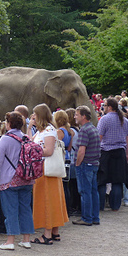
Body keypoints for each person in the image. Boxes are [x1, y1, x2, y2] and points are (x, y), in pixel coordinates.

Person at [0, 111, 35, 250]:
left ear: (9, 124)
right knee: (25, 209)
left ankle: (10, 241)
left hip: (9, 179)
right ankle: (26, 239)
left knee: (10, 210)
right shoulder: (26, 137)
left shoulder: (5, 139)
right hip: (26, 178)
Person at [30, 103, 69, 244]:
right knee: (53, 200)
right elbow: (30, 141)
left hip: (46, 170)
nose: (33, 116)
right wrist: (29, 127)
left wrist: (34, 152)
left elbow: (49, 151)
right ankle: (54, 232)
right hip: (46, 170)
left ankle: (47, 235)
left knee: (46, 200)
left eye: (35, 114)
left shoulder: (48, 131)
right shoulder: (44, 130)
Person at [96, 98, 128, 212]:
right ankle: (115, 206)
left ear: (110, 107)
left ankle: (100, 205)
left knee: (102, 179)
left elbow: (99, 138)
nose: (103, 108)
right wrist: (127, 154)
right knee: (117, 180)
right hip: (120, 152)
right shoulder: (125, 121)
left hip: (106, 152)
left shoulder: (104, 120)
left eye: (105, 106)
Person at [71, 106, 101, 226]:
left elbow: (81, 150)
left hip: (85, 165)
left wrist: (78, 164)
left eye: (77, 115)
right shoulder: (93, 128)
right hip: (94, 164)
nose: (75, 117)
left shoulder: (83, 130)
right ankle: (95, 217)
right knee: (93, 192)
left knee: (85, 192)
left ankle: (86, 218)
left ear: (83, 116)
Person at [54, 110, 73, 213]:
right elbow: (69, 148)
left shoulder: (59, 131)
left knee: (62, 185)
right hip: (68, 156)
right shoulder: (69, 131)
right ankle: (68, 208)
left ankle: (63, 209)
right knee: (66, 184)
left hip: (61, 157)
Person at [65, 108, 81, 217]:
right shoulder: (78, 129)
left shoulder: (71, 131)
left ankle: (72, 206)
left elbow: (69, 148)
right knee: (75, 186)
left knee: (71, 186)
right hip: (77, 160)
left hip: (71, 161)